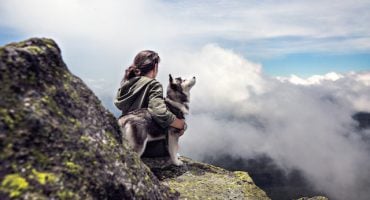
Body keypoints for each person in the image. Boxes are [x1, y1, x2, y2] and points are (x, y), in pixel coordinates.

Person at [114, 50, 186, 139]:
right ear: (155, 67)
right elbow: (159, 112)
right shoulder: (153, 85)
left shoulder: (127, 83)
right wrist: (181, 124)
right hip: (145, 139)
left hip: (124, 131)